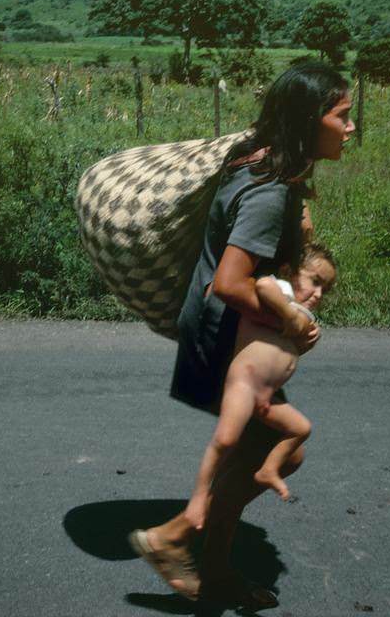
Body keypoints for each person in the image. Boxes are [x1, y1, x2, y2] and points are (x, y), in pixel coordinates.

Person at [128, 61, 354, 610]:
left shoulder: (261, 163)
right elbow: (231, 283)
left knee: (257, 447)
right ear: (308, 121)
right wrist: (292, 318)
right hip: (223, 336)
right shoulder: (270, 191)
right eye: (343, 116)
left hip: (223, 331)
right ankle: (181, 538)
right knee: (272, 451)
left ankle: (209, 561)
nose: (351, 128)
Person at [184, 243, 336, 531]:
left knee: (301, 428)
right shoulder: (283, 292)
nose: (318, 294)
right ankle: (198, 498)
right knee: (225, 441)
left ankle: (268, 469)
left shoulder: (300, 309)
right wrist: (290, 315)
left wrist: (301, 342)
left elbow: (281, 350)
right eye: (315, 282)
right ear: (289, 272)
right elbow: (264, 286)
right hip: (244, 385)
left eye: (324, 290)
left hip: (266, 396)